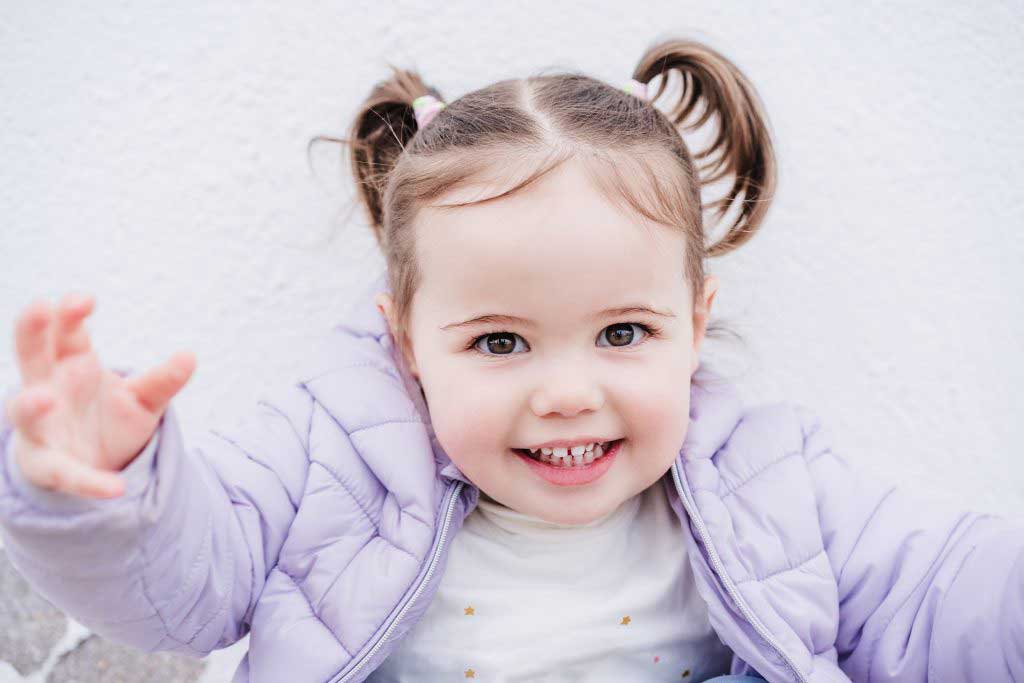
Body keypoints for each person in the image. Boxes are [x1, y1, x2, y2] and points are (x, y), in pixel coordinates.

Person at [1, 37, 1021, 683]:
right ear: (407, 342)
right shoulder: (326, 461)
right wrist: (108, 493)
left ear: (695, 323)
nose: (568, 392)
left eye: (623, 332)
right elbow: (183, 588)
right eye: (499, 341)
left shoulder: (773, 476)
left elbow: (935, 591)